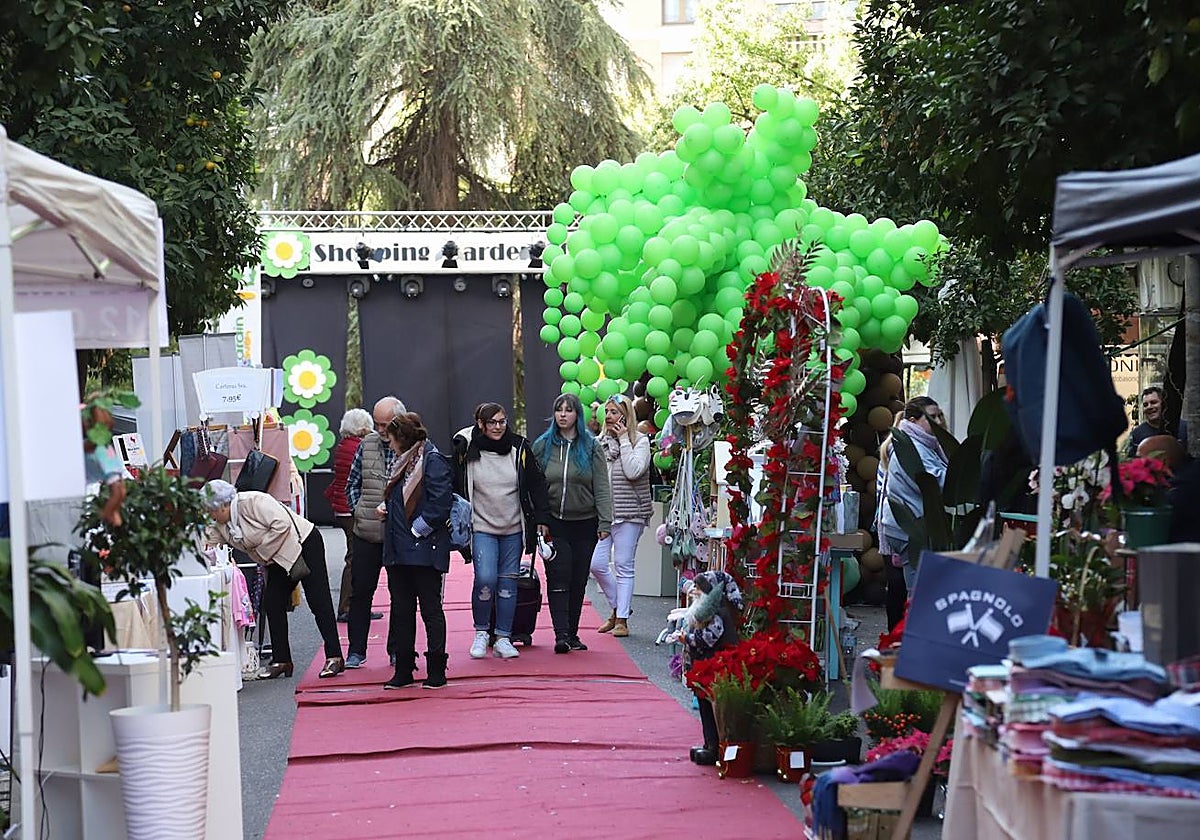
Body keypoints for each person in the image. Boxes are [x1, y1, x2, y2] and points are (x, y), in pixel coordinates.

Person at [203, 479, 344, 679]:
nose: (210, 515)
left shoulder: (252, 501)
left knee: (318, 600)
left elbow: (281, 524)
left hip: (302, 544)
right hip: (275, 557)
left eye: (211, 510)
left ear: (223, 505)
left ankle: (335, 656)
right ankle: (282, 660)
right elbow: (207, 541)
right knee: (273, 603)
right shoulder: (222, 524)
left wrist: (262, 550)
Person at [451, 402, 550, 661]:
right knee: (485, 579)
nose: (498, 427)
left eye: (502, 421)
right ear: (481, 425)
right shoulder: (467, 448)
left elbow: (537, 483)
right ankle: (482, 632)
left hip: (513, 528)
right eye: (492, 422)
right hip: (482, 527)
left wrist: (541, 518)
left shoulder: (520, 448)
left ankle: (504, 637)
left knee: (508, 584)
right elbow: (455, 481)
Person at [531, 393, 613, 654]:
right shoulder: (542, 446)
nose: (563, 414)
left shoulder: (591, 447)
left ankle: (573, 633)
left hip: (585, 523)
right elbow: (534, 485)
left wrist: (605, 521)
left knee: (578, 579)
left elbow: (601, 486)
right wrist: (538, 518)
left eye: (568, 410)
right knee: (558, 575)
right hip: (553, 523)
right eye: (559, 410)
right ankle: (561, 635)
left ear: (578, 414)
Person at [380, 412, 453, 689]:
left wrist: (415, 531)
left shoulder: (431, 460)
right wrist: (387, 508)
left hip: (424, 549)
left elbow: (440, 503)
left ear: (402, 438)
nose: (389, 444)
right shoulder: (403, 462)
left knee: (430, 610)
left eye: (391, 439)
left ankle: (436, 670)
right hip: (397, 550)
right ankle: (404, 668)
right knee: (401, 610)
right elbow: (400, 499)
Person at [343, 396, 407, 670]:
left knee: (400, 594)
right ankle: (356, 650)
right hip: (366, 532)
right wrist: (359, 510)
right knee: (361, 593)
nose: (380, 430)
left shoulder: (412, 446)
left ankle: (397, 649)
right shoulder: (366, 444)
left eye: (385, 424)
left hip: (399, 535)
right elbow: (352, 484)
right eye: (377, 424)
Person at [876, 397, 948, 628]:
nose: (938, 421)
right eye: (932, 417)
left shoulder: (921, 444)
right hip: (911, 529)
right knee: (918, 597)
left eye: (939, 416)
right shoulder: (913, 448)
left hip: (909, 527)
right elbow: (937, 482)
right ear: (913, 421)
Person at [590, 394, 652, 638]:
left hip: (630, 513)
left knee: (624, 565)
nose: (608, 416)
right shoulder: (599, 443)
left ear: (626, 416)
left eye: (614, 412)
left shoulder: (641, 441)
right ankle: (618, 607)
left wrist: (624, 439)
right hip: (605, 515)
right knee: (596, 564)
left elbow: (634, 471)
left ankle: (622, 619)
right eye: (607, 411)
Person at [669, 570, 744, 765]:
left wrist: (687, 638)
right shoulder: (709, 612)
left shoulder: (717, 614)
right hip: (707, 668)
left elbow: (709, 638)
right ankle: (710, 744)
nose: (695, 591)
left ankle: (715, 747)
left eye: (700, 588)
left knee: (713, 709)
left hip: (714, 668)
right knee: (705, 706)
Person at [324, 407, 374, 622]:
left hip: (342, 507)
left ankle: (351, 606)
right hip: (350, 509)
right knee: (355, 558)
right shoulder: (358, 447)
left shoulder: (344, 445)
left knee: (355, 556)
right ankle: (347, 607)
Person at [1127, 385, 1189, 456]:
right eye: (1145, 405)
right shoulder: (1136, 434)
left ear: (1164, 404)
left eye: (1153, 402)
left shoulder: (1184, 428)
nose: (1149, 407)